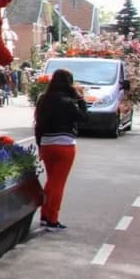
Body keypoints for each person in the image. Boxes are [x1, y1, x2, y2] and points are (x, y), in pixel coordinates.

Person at [34, 68, 87, 231]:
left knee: (51, 181)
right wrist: (81, 99)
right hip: (65, 144)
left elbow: (38, 123)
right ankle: (52, 219)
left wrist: (40, 146)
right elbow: (84, 118)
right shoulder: (69, 101)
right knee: (58, 183)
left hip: (47, 143)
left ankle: (44, 215)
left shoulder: (43, 99)